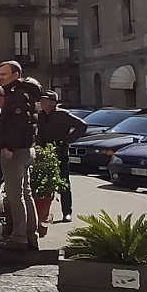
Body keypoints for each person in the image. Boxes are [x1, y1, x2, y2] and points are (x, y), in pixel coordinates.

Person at [0, 61, 43, 252]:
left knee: (16, 196)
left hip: (16, 151)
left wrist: (9, 147)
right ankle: (32, 235)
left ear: (16, 75)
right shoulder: (27, 94)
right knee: (26, 193)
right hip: (26, 149)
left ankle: (19, 238)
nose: (0, 77)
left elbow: (20, 124)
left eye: (4, 74)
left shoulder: (16, 96)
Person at [36, 90, 88, 223]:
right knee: (44, 184)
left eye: (45, 100)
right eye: (41, 100)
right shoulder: (41, 116)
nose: (42, 103)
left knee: (63, 182)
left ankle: (67, 212)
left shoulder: (62, 115)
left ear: (53, 103)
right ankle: (44, 213)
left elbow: (82, 125)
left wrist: (68, 140)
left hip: (60, 152)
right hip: (43, 154)